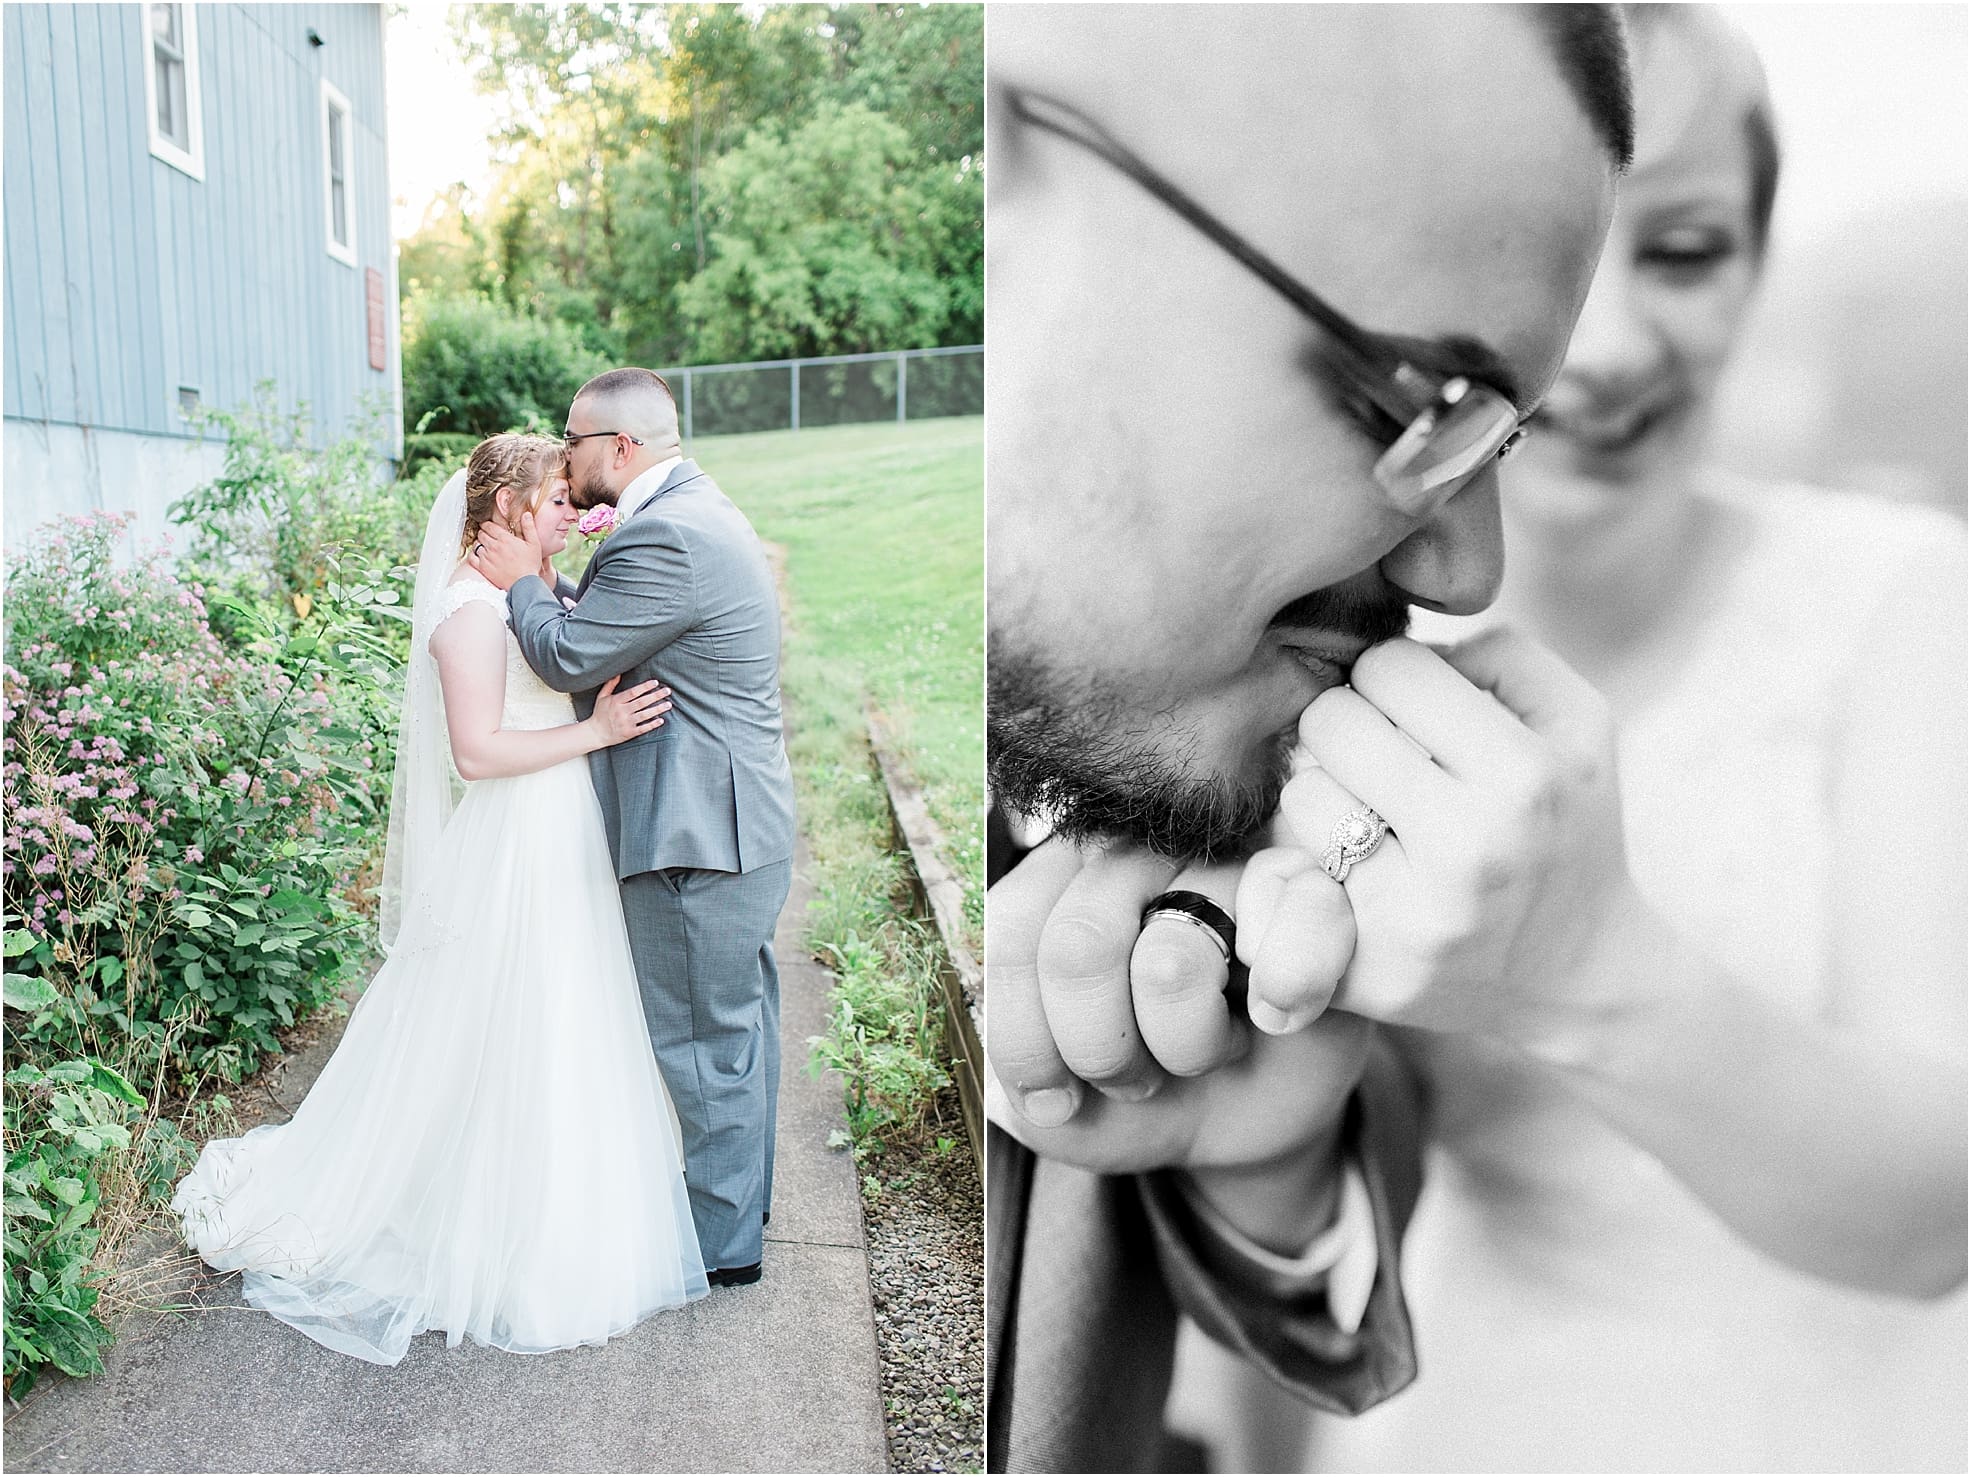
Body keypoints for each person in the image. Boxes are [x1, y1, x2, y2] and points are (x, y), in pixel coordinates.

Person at [1007, 7, 1971, 1472]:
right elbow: (1329, 1183)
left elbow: (1938, 1208)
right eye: (1554, 301)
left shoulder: (1901, 603)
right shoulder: (1273, 657)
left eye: (1690, 251)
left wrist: (1587, 973)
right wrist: (1267, 1165)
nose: (1615, 344)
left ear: (1758, 260)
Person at [982, 6, 1634, 1470]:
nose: (1466, 574)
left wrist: (1267, 1164)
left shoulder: (1246, 789)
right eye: (1432, 405)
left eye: (1503, 439)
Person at [175, 434, 707, 1364]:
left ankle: (561, 1206)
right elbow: (477, 754)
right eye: (552, 500)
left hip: (561, 830)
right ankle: (480, 1221)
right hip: (517, 838)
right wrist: (598, 730)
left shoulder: (531, 593)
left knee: (563, 1018)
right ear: (503, 508)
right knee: (509, 1019)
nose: (570, 513)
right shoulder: (469, 613)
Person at [471, 368, 797, 1286]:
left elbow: (571, 653)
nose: (563, 455)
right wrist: (553, 580)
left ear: (619, 447)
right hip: (735, 825)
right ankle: (744, 1203)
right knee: (737, 1030)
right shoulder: (694, 511)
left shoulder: (663, 536)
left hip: (695, 832)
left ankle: (720, 1247)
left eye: (571, 440)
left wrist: (520, 584)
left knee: (702, 1045)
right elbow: (622, 622)